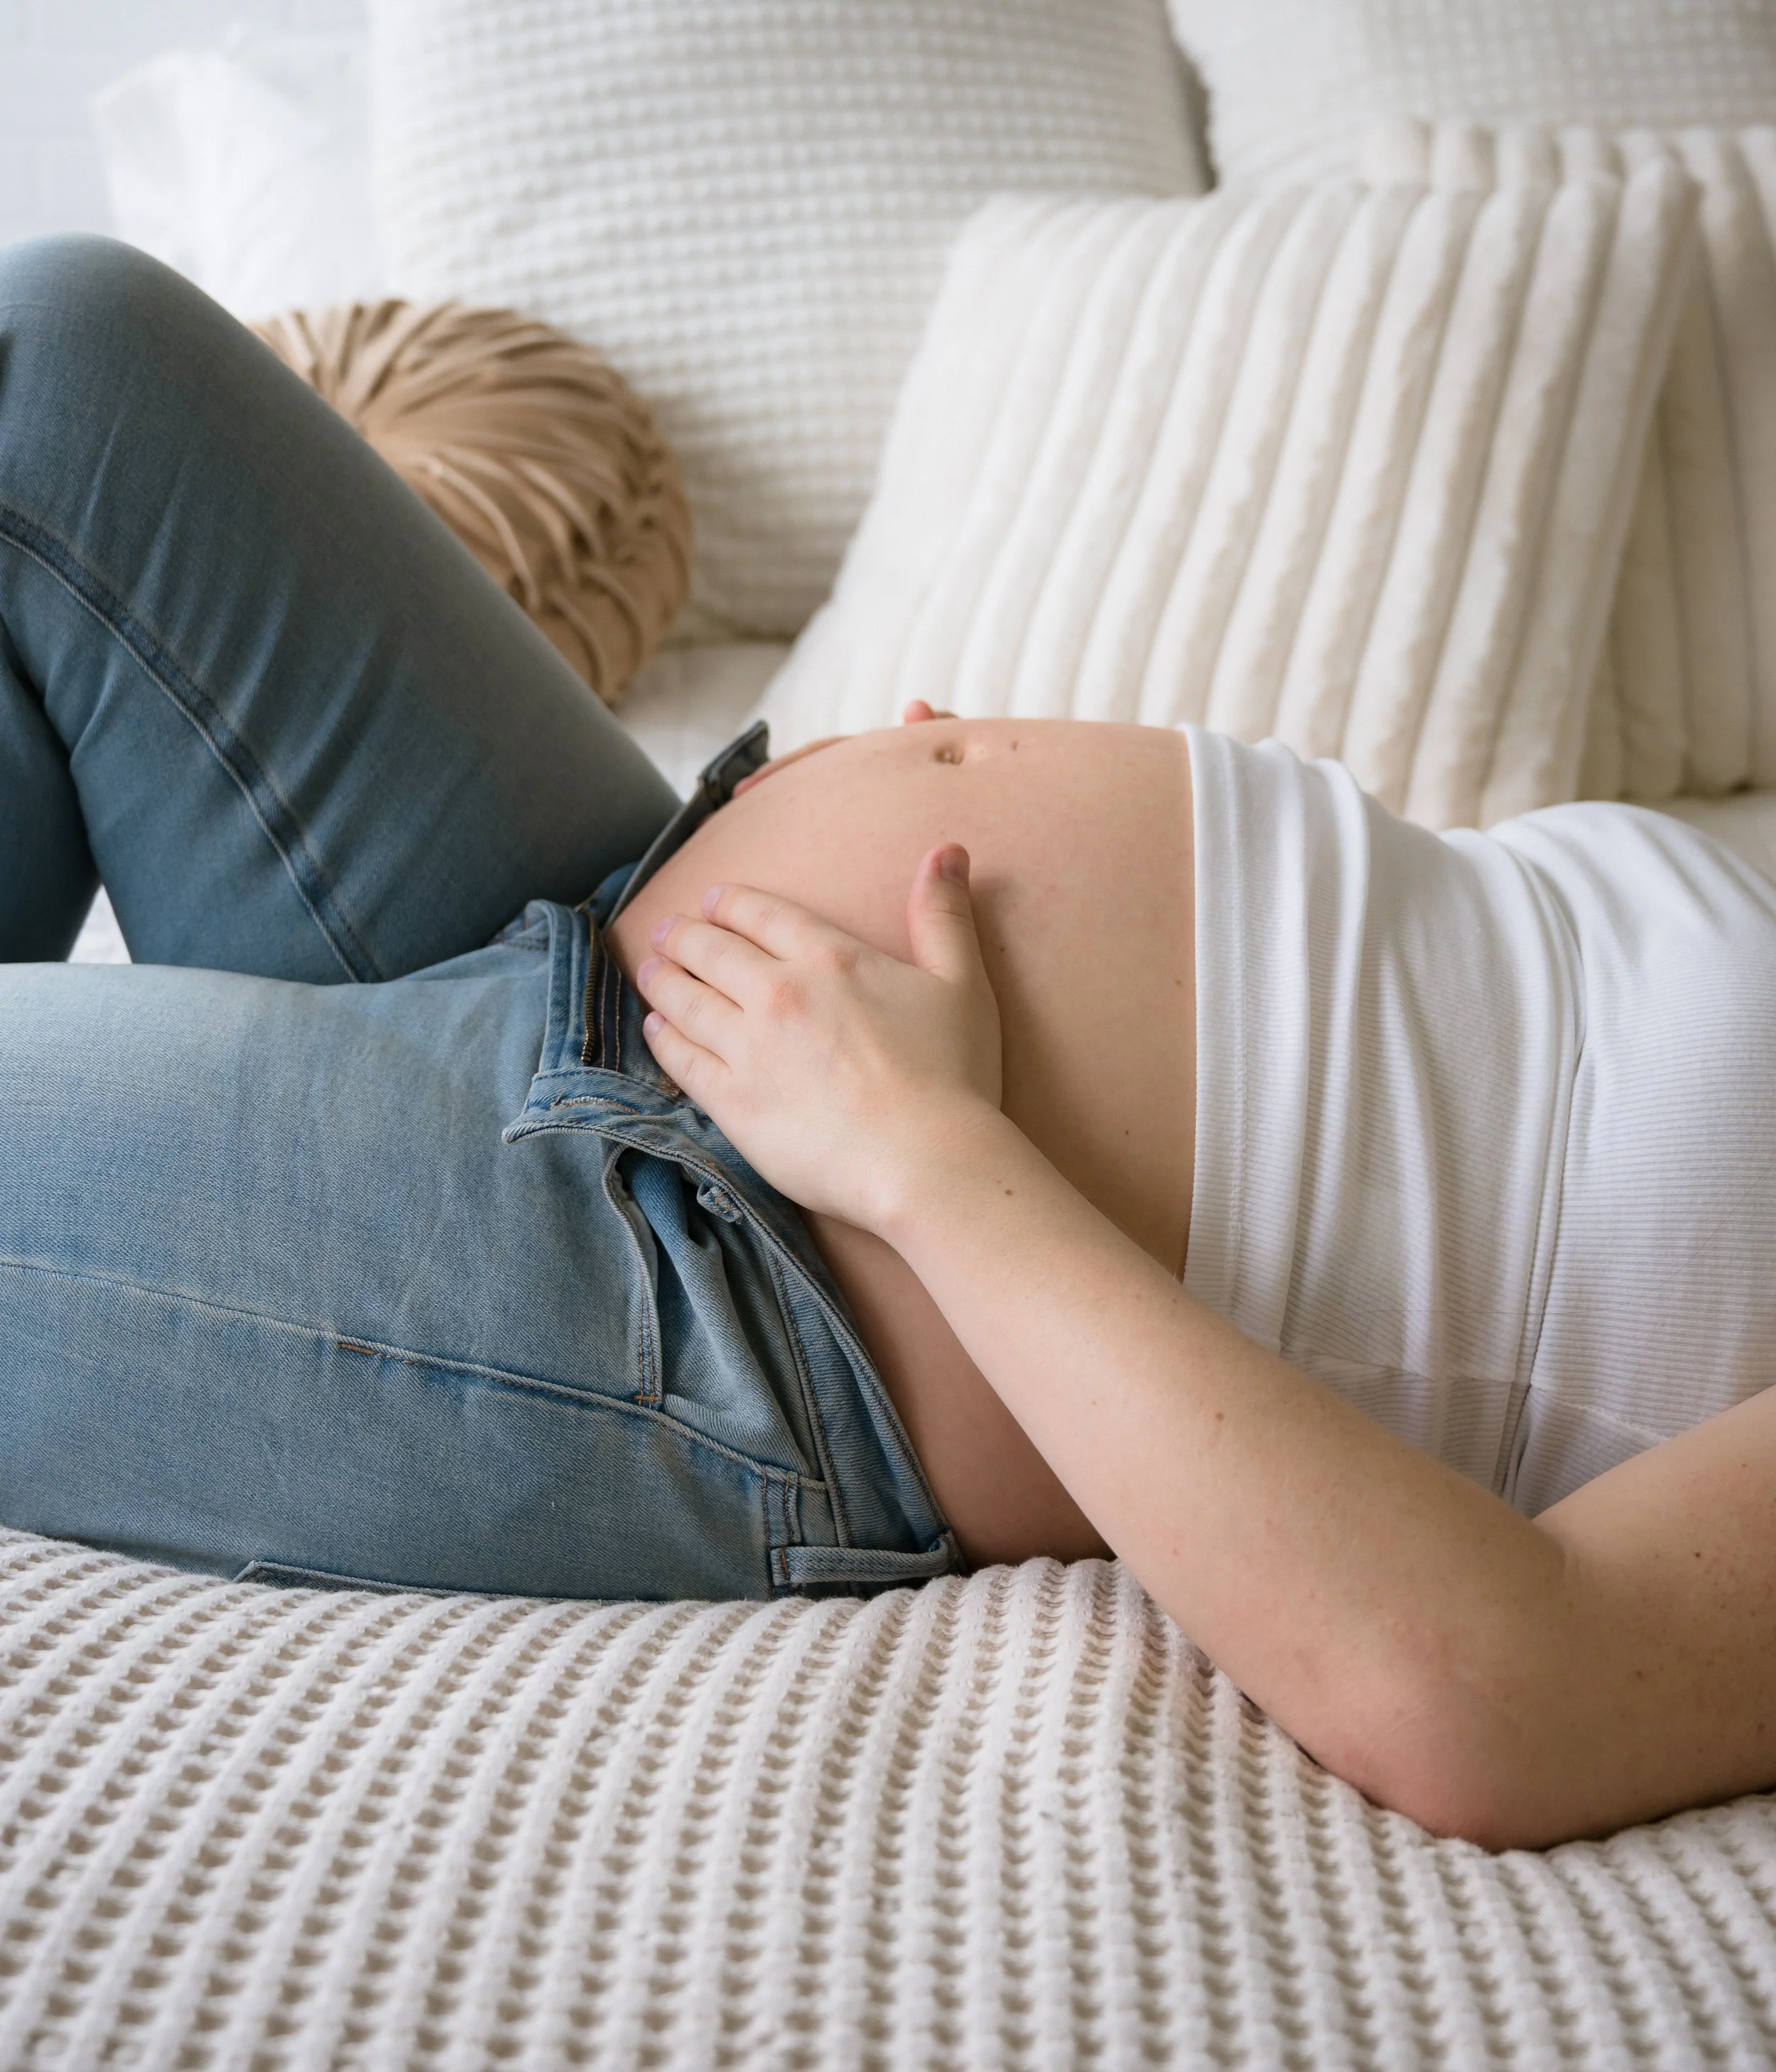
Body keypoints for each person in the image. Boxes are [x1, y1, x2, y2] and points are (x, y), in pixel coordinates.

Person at [1, 238, 1773, 1853]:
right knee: (61, 358)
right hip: (638, 924)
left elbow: (1507, 1698)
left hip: (729, 1280)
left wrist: (933, 1164)